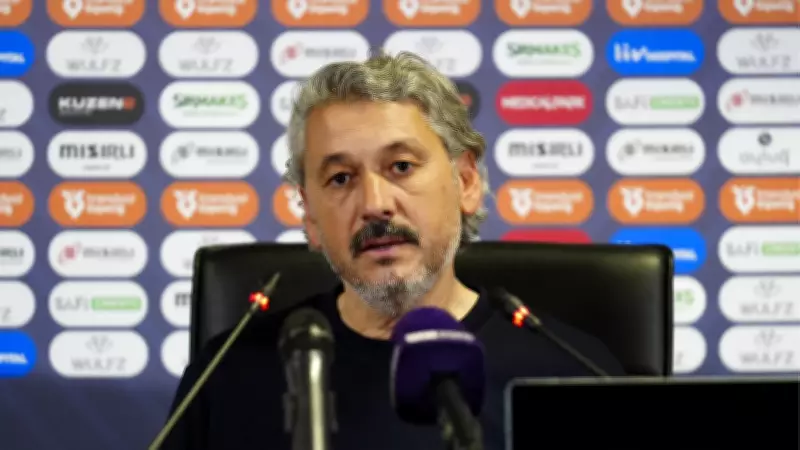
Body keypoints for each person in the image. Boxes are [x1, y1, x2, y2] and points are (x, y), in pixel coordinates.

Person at [160, 50, 625, 450]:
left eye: (401, 166)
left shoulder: (569, 376)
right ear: (309, 216)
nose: (375, 204)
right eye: (341, 178)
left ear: (465, 183)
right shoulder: (230, 376)